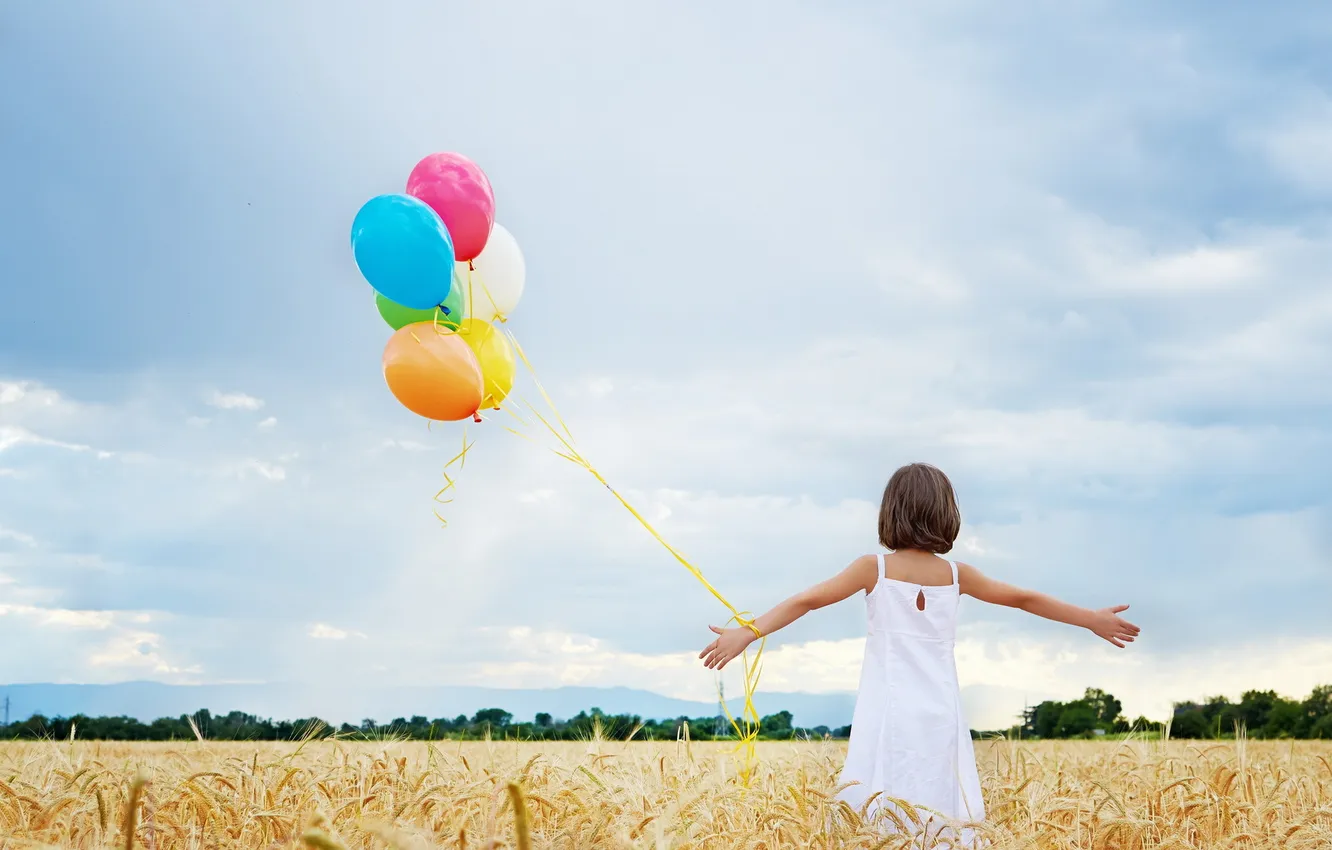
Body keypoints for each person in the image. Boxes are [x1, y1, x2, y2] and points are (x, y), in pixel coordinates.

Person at [699, 462, 1140, 837]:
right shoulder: (956, 575)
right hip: (941, 714)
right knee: (941, 810)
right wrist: (1091, 619)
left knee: (880, 807)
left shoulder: (874, 569)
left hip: (887, 710)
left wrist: (747, 632)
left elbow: (807, 600)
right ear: (947, 514)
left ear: (891, 514)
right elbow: (1023, 598)